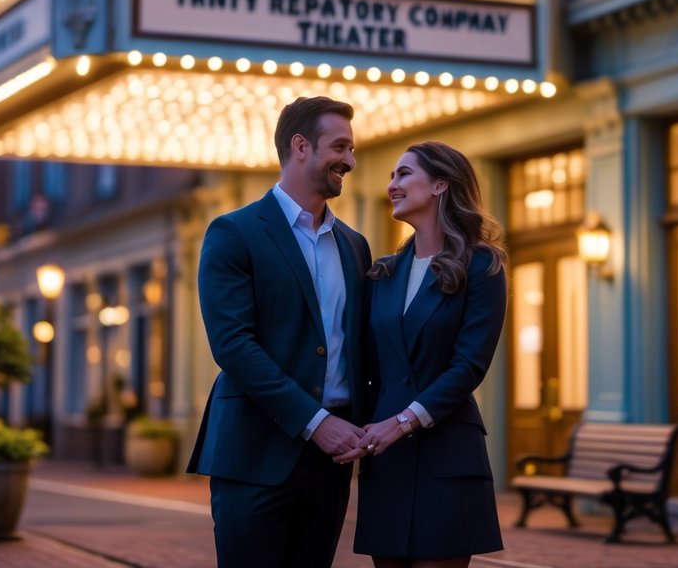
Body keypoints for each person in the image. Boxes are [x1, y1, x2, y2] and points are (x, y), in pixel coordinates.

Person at [186, 95, 373, 568]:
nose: (350, 161)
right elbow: (233, 345)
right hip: (253, 454)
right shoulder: (234, 232)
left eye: (352, 150)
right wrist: (316, 423)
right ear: (300, 146)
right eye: (340, 147)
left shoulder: (355, 246)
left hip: (330, 465)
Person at [344, 141, 507, 567]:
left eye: (403, 174)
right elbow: (366, 368)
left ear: (439, 184)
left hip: (447, 457)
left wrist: (403, 422)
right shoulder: (382, 273)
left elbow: (469, 365)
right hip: (387, 458)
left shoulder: (482, 267)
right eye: (392, 175)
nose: (392, 185)